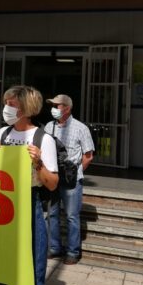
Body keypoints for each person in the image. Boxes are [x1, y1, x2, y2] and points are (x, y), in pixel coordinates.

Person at [0, 85, 58, 285]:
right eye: (6, 103)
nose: (6, 108)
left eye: (12, 104)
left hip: (29, 204)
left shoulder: (43, 139)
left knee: (32, 268)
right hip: (2, 203)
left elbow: (52, 184)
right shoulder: (3, 134)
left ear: (26, 108)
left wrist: (38, 163)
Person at [45, 94, 95, 265]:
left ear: (67, 108)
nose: (53, 109)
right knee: (52, 214)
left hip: (72, 181)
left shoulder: (81, 128)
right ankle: (54, 248)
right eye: (52, 105)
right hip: (53, 177)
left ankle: (73, 252)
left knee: (72, 216)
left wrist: (75, 172)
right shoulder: (49, 127)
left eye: (56, 105)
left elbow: (88, 156)